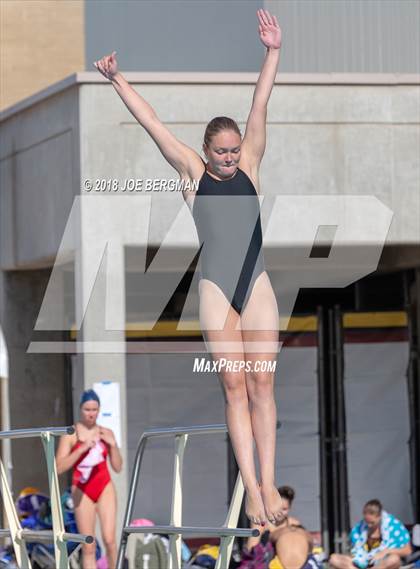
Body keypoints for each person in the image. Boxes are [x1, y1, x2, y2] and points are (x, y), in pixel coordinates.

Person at [94, 7, 282, 525]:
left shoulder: (251, 163)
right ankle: (251, 487)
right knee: (235, 386)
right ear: (205, 150)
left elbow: (259, 102)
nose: (228, 157)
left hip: (256, 281)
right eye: (220, 151)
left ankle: (268, 480)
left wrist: (272, 51)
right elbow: (152, 122)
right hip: (219, 287)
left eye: (233, 149)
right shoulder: (192, 173)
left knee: (263, 382)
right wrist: (117, 79)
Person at [56, 389, 123, 569]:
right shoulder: (71, 434)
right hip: (82, 490)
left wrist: (113, 445)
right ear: (80, 409)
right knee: (89, 545)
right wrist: (81, 449)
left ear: (99, 410)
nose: (91, 414)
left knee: (110, 540)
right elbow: (58, 467)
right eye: (87, 409)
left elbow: (118, 467)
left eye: (94, 409)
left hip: (104, 486)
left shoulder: (105, 432)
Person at [243, 486, 320, 569]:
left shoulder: (294, 523)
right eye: (278, 508)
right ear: (272, 505)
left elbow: (307, 545)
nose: (280, 513)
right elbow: (250, 549)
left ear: (289, 508)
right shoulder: (261, 523)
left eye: (284, 509)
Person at [329, 499, 412, 569]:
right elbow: (356, 551)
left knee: (394, 559)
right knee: (333, 558)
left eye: (372, 523)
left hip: (381, 562)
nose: (369, 525)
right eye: (367, 522)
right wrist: (358, 558)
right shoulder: (360, 528)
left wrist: (386, 551)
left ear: (379, 516)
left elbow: (407, 551)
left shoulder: (393, 526)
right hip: (363, 561)